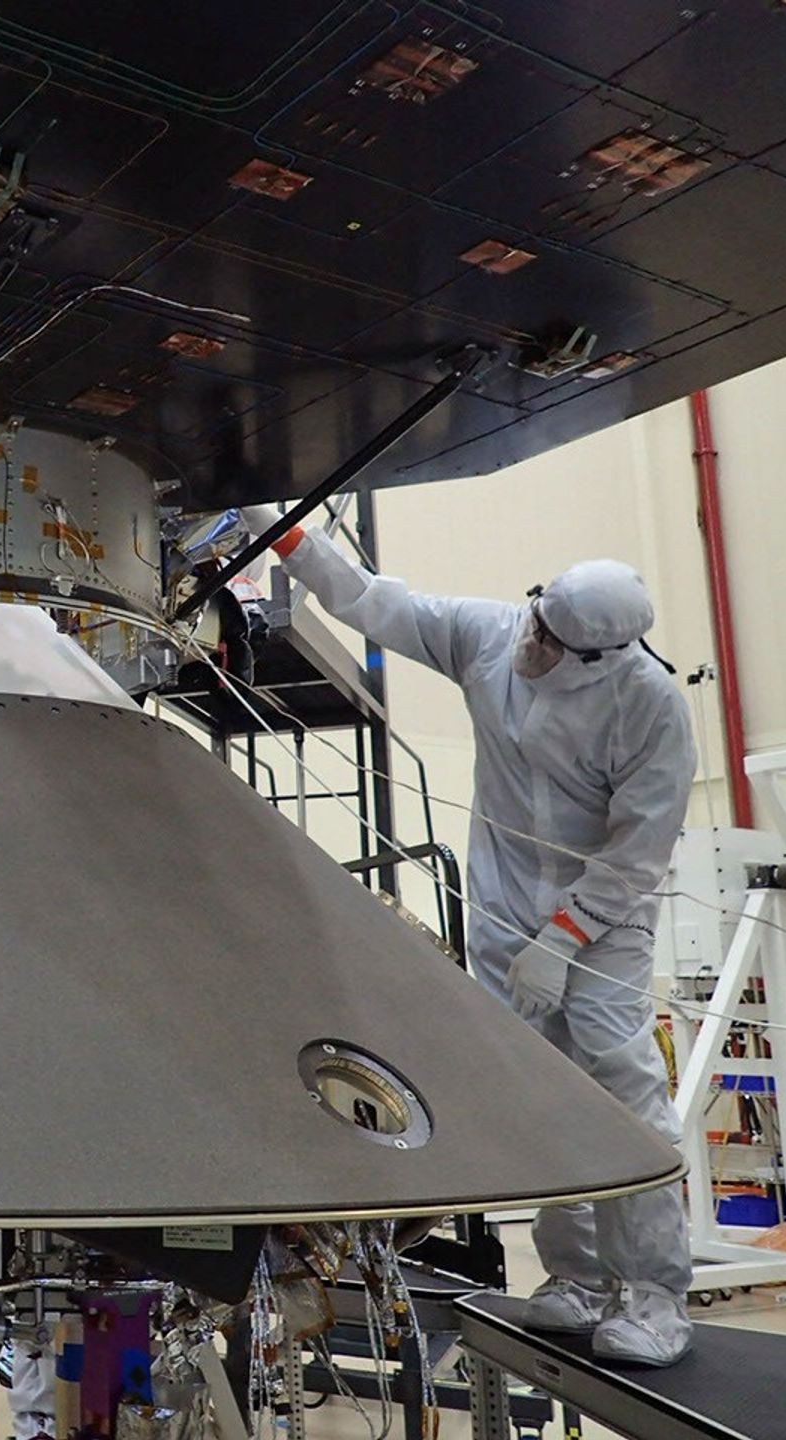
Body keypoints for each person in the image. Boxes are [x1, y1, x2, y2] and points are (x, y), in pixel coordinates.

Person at [272, 528, 696, 1366]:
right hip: (503, 916)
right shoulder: (491, 634)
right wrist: (284, 537)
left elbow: (639, 847)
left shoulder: (650, 704)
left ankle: (655, 1296)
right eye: (536, 621)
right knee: (530, 1095)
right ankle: (574, 1281)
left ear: (600, 657)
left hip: (602, 929)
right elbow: (370, 600)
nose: (529, 644)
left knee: (621, 1091)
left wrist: (566, 934)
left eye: (550, 641)